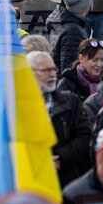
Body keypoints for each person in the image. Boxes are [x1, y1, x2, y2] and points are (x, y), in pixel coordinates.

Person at [27, 51, 92, 187]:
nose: (52, 74)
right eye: (45, 70)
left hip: (66, 179)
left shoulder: (70, 101)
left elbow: (85, 137)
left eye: (53, 69)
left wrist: (60, 158)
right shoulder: (15, 105)